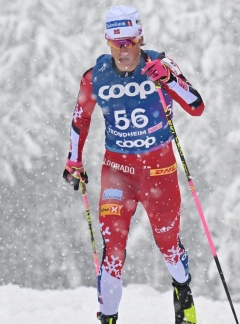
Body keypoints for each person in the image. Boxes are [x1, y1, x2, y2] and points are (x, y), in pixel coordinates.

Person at [62, 5, 204, 324]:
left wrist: (169, 79)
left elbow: (196, 106)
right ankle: (108, 317)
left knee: (168, 244)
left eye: (129, 42)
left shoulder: (160, 65)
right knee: (113, 249)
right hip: (118, 173)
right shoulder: (95, 76)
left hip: (160, 171)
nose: (124, 51)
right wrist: (74, 161)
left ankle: (182, 291)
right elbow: (80, 119)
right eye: (116, 43)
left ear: (140, 38)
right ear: (107, 42)